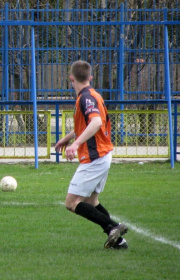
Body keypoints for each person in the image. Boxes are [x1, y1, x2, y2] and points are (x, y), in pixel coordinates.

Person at [55, 60, 128, 249]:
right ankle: (119, 241)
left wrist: (76, 143)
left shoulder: (86, 98)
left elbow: (95, 123)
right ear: (90, 77)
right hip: (103, 154)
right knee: (91, 201)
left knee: (72, 203)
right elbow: (88, 124)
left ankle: (112, 227)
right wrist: (68, 138)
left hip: (95, 156)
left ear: (71, 78)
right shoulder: (93, 95)